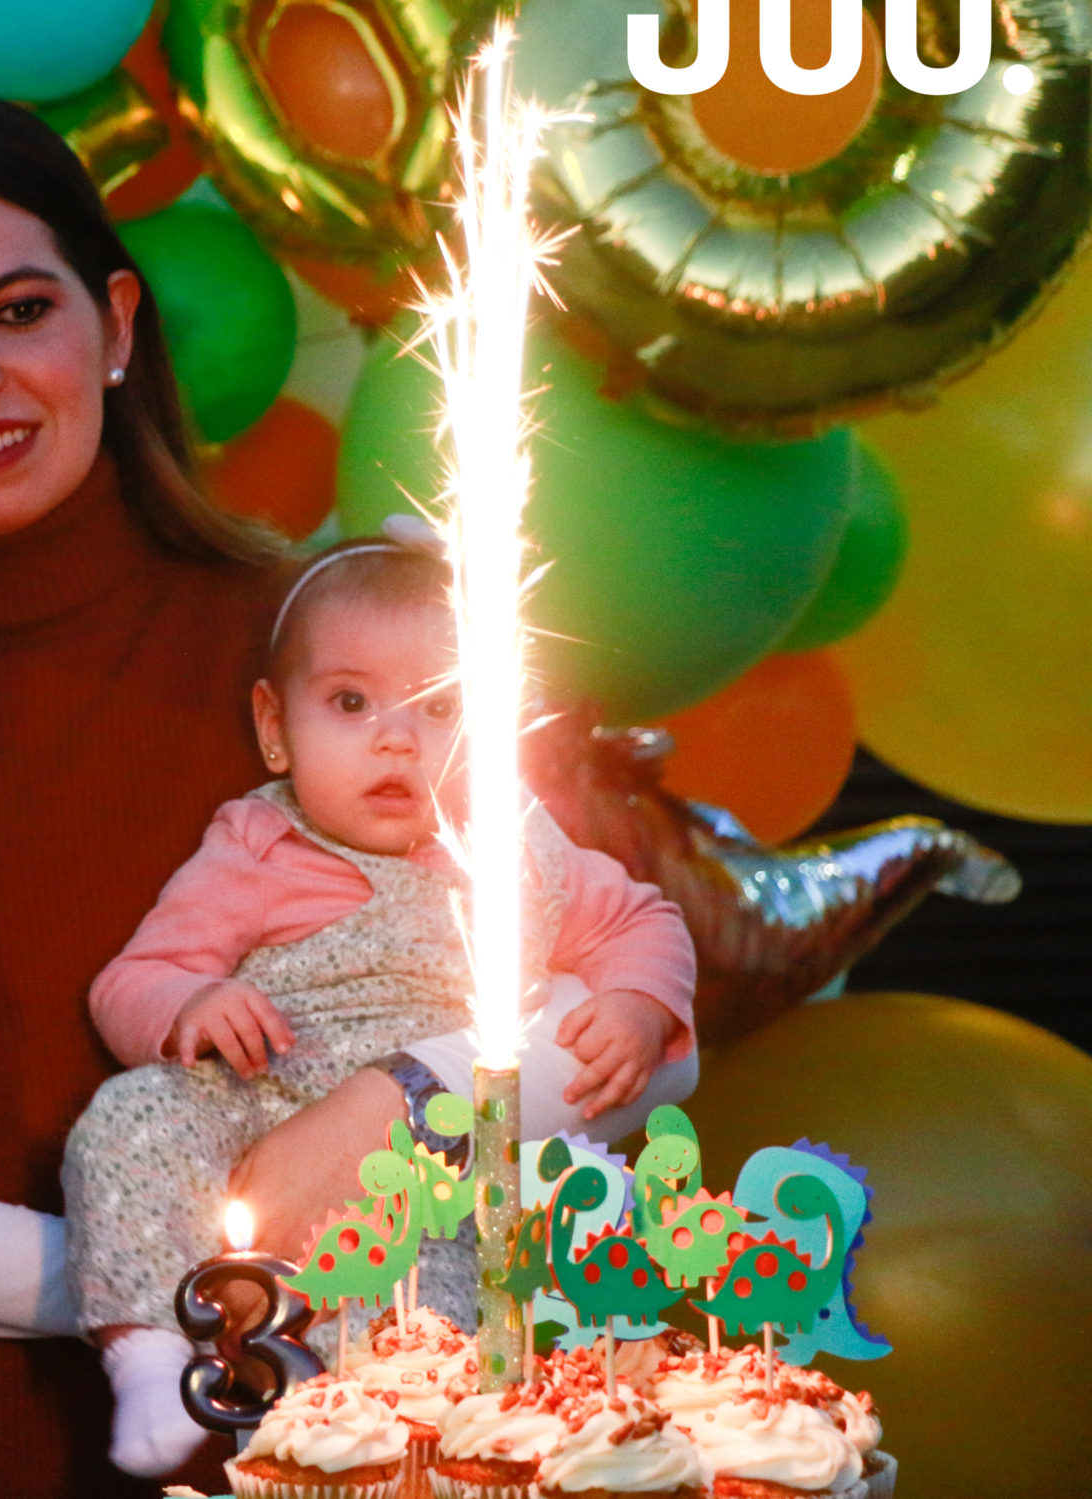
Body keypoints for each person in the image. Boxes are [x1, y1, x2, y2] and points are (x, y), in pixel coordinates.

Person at [0, 96, 691, 1499]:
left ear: (116, 322)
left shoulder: (323, 649)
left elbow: (648, 1037)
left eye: (16, 309)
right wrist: (155, 1276)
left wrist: (390, 1106)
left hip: (316, 1455)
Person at [65, 527, 695, 1476]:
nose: (397, 739)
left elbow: (640, 919)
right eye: (351, 702)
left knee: (442, 1284)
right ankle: (150, 1351)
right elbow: (129, 980)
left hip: (431, 1171)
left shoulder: (521, 849)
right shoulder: (257, 844)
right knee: (129, 1117)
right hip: (261, 1108)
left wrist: (641, 1004)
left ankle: (411, 1432)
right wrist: (191, 999)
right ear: (276, 727)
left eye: (440, 707)